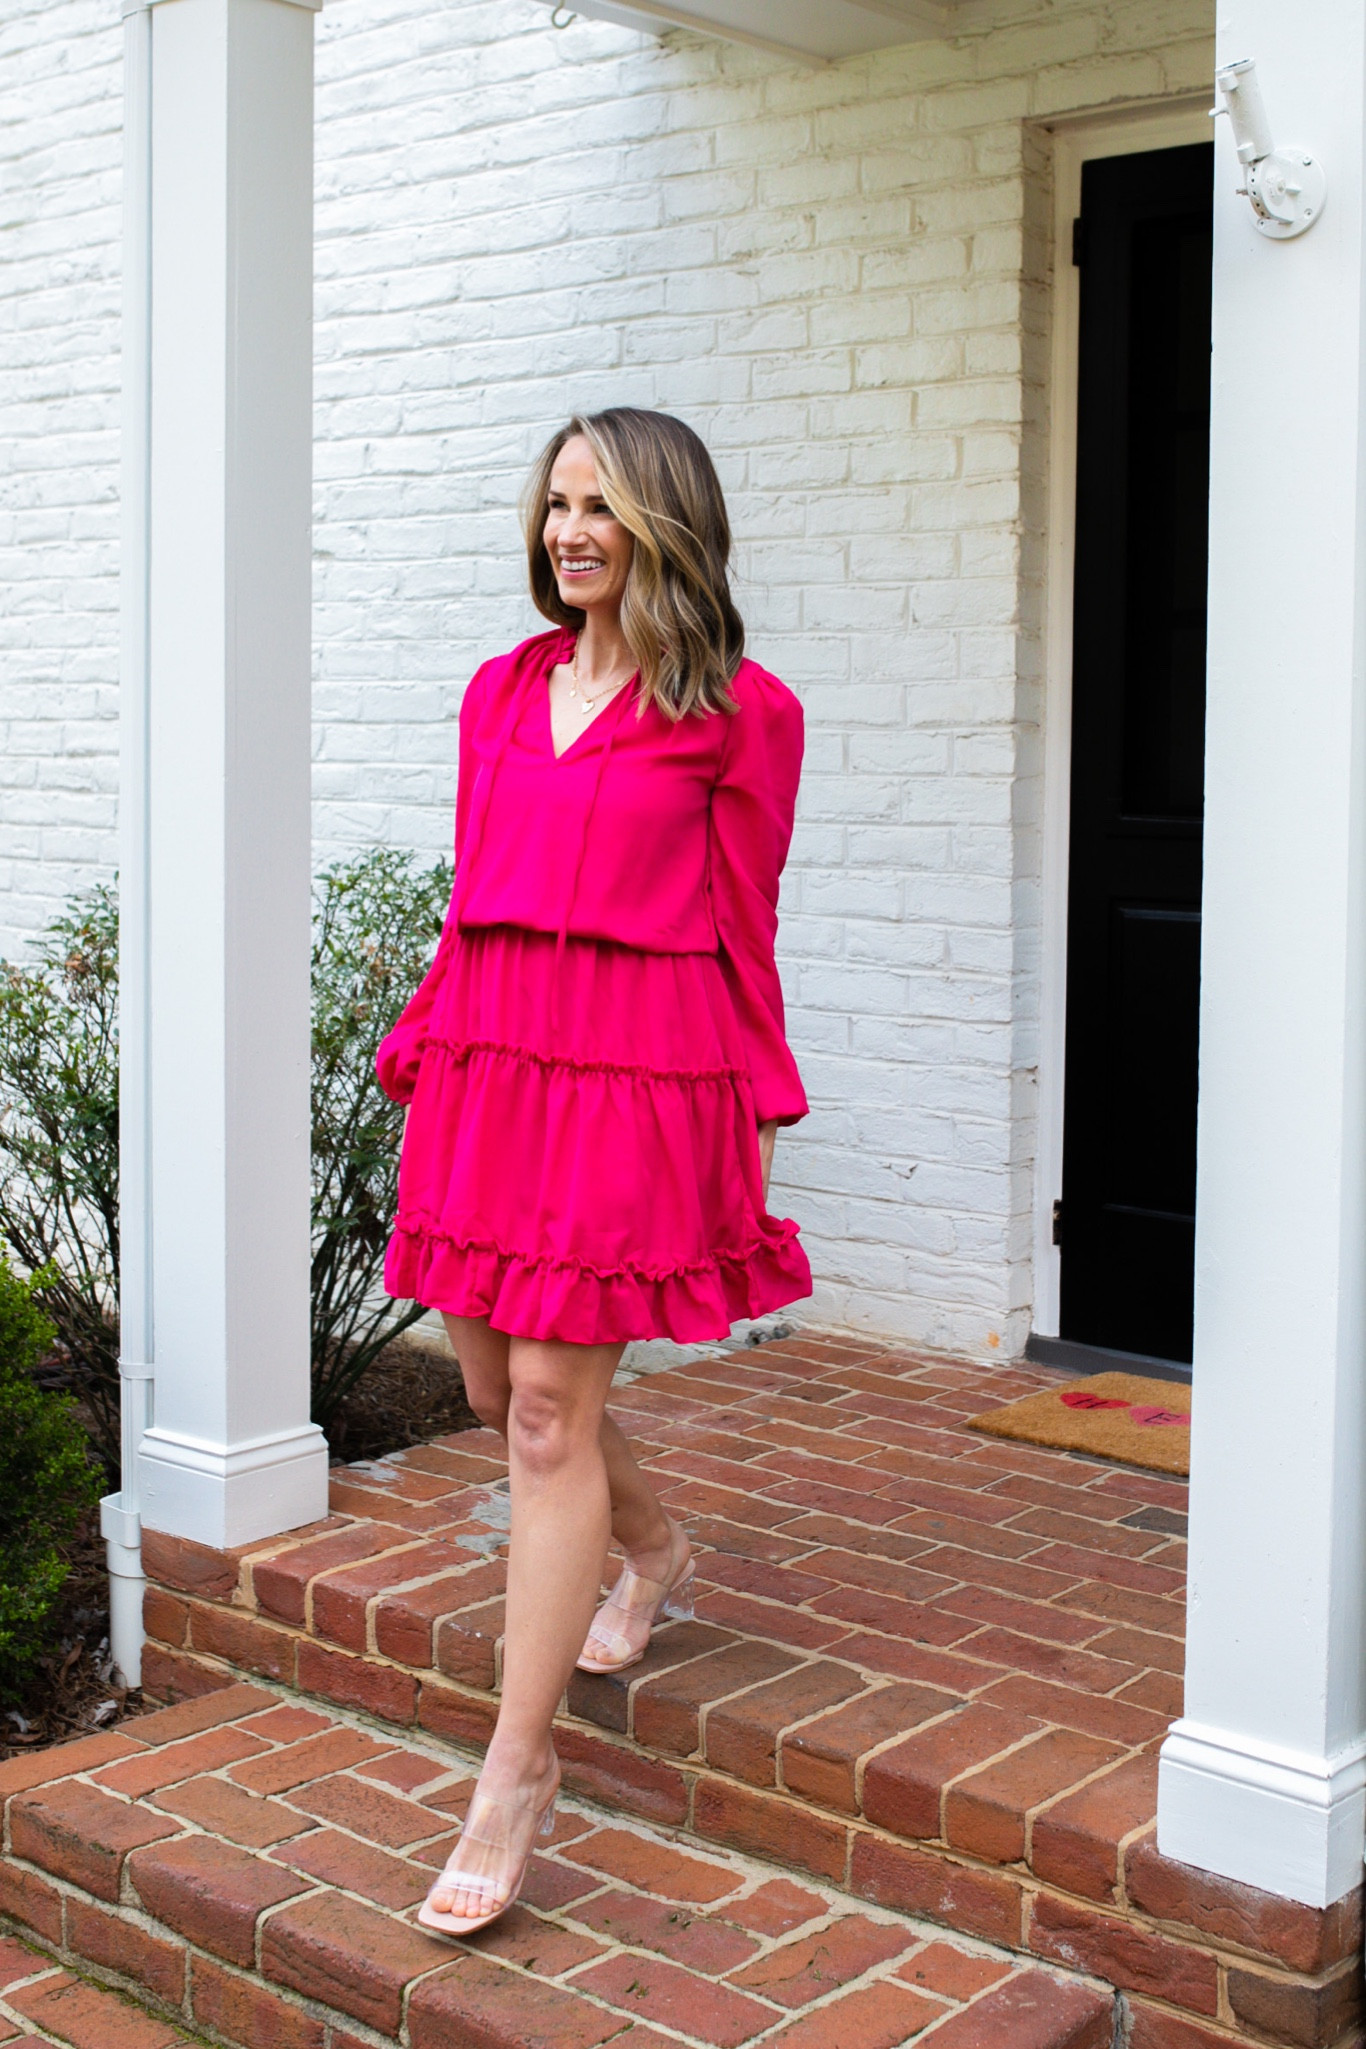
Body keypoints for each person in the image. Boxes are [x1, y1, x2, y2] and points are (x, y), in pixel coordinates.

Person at [376, 406, 810, 1937]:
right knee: (494, 1391)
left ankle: (512, 1770)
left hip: (634, 1072)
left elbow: (742, 922)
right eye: (555, 504)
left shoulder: (743, 713)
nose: (568, 532)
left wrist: (753, 1100)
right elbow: (469, 885)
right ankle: (656, 1545)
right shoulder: (499, 691)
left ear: (662, 526)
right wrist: (428, 1030)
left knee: (551, 1414)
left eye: (599, 507)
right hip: (491, 1058)